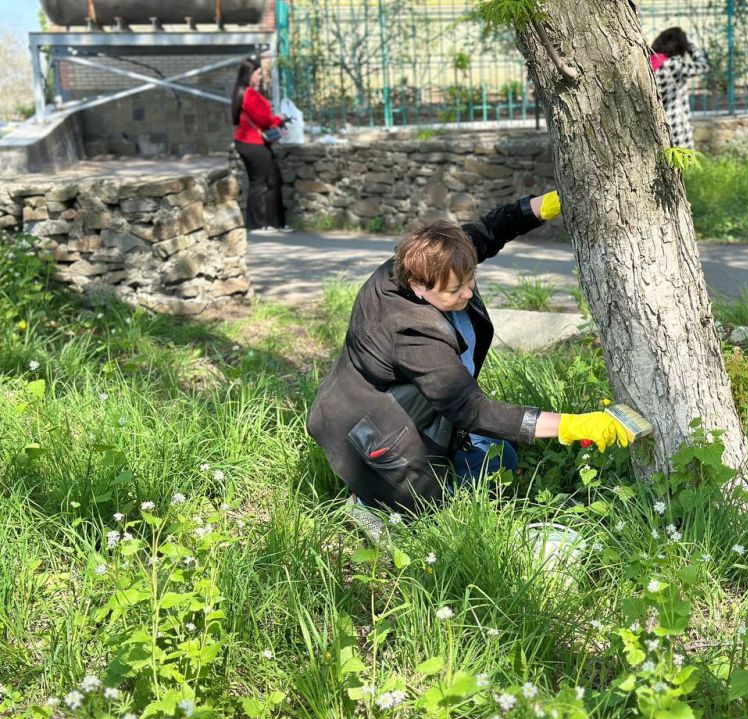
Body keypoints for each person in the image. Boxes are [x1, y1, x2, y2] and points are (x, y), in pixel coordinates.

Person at [307, 192, 634, 537]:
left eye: (470, 280)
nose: (466, 294)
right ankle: (367, 504)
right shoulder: (410, 330)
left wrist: (548, 204)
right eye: (454, 290)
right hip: (370, 425)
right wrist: (572, 426)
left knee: (500, 462)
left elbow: (491, 230)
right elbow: (470, 409)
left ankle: (427, 471)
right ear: (418, 286)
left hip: (416, 402)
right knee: (432, 519)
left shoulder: (437, 260)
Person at [231, 57, 290, 234]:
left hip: (253, 142)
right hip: (252, 143)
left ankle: (275, 223)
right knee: (260, 182)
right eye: (257, 73)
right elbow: (263, 119)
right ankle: (256, 225)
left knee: (274, 179)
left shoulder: (245, 92)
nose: (260, 76)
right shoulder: (249, 94)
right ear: (250, 74)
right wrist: (279, 119)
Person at [650, 27, 710, 150]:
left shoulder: (649, 60)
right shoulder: (673, 64)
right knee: (678, 164)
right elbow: (703, 66)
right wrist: (691, 48)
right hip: (675, 125)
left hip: (653, 124)